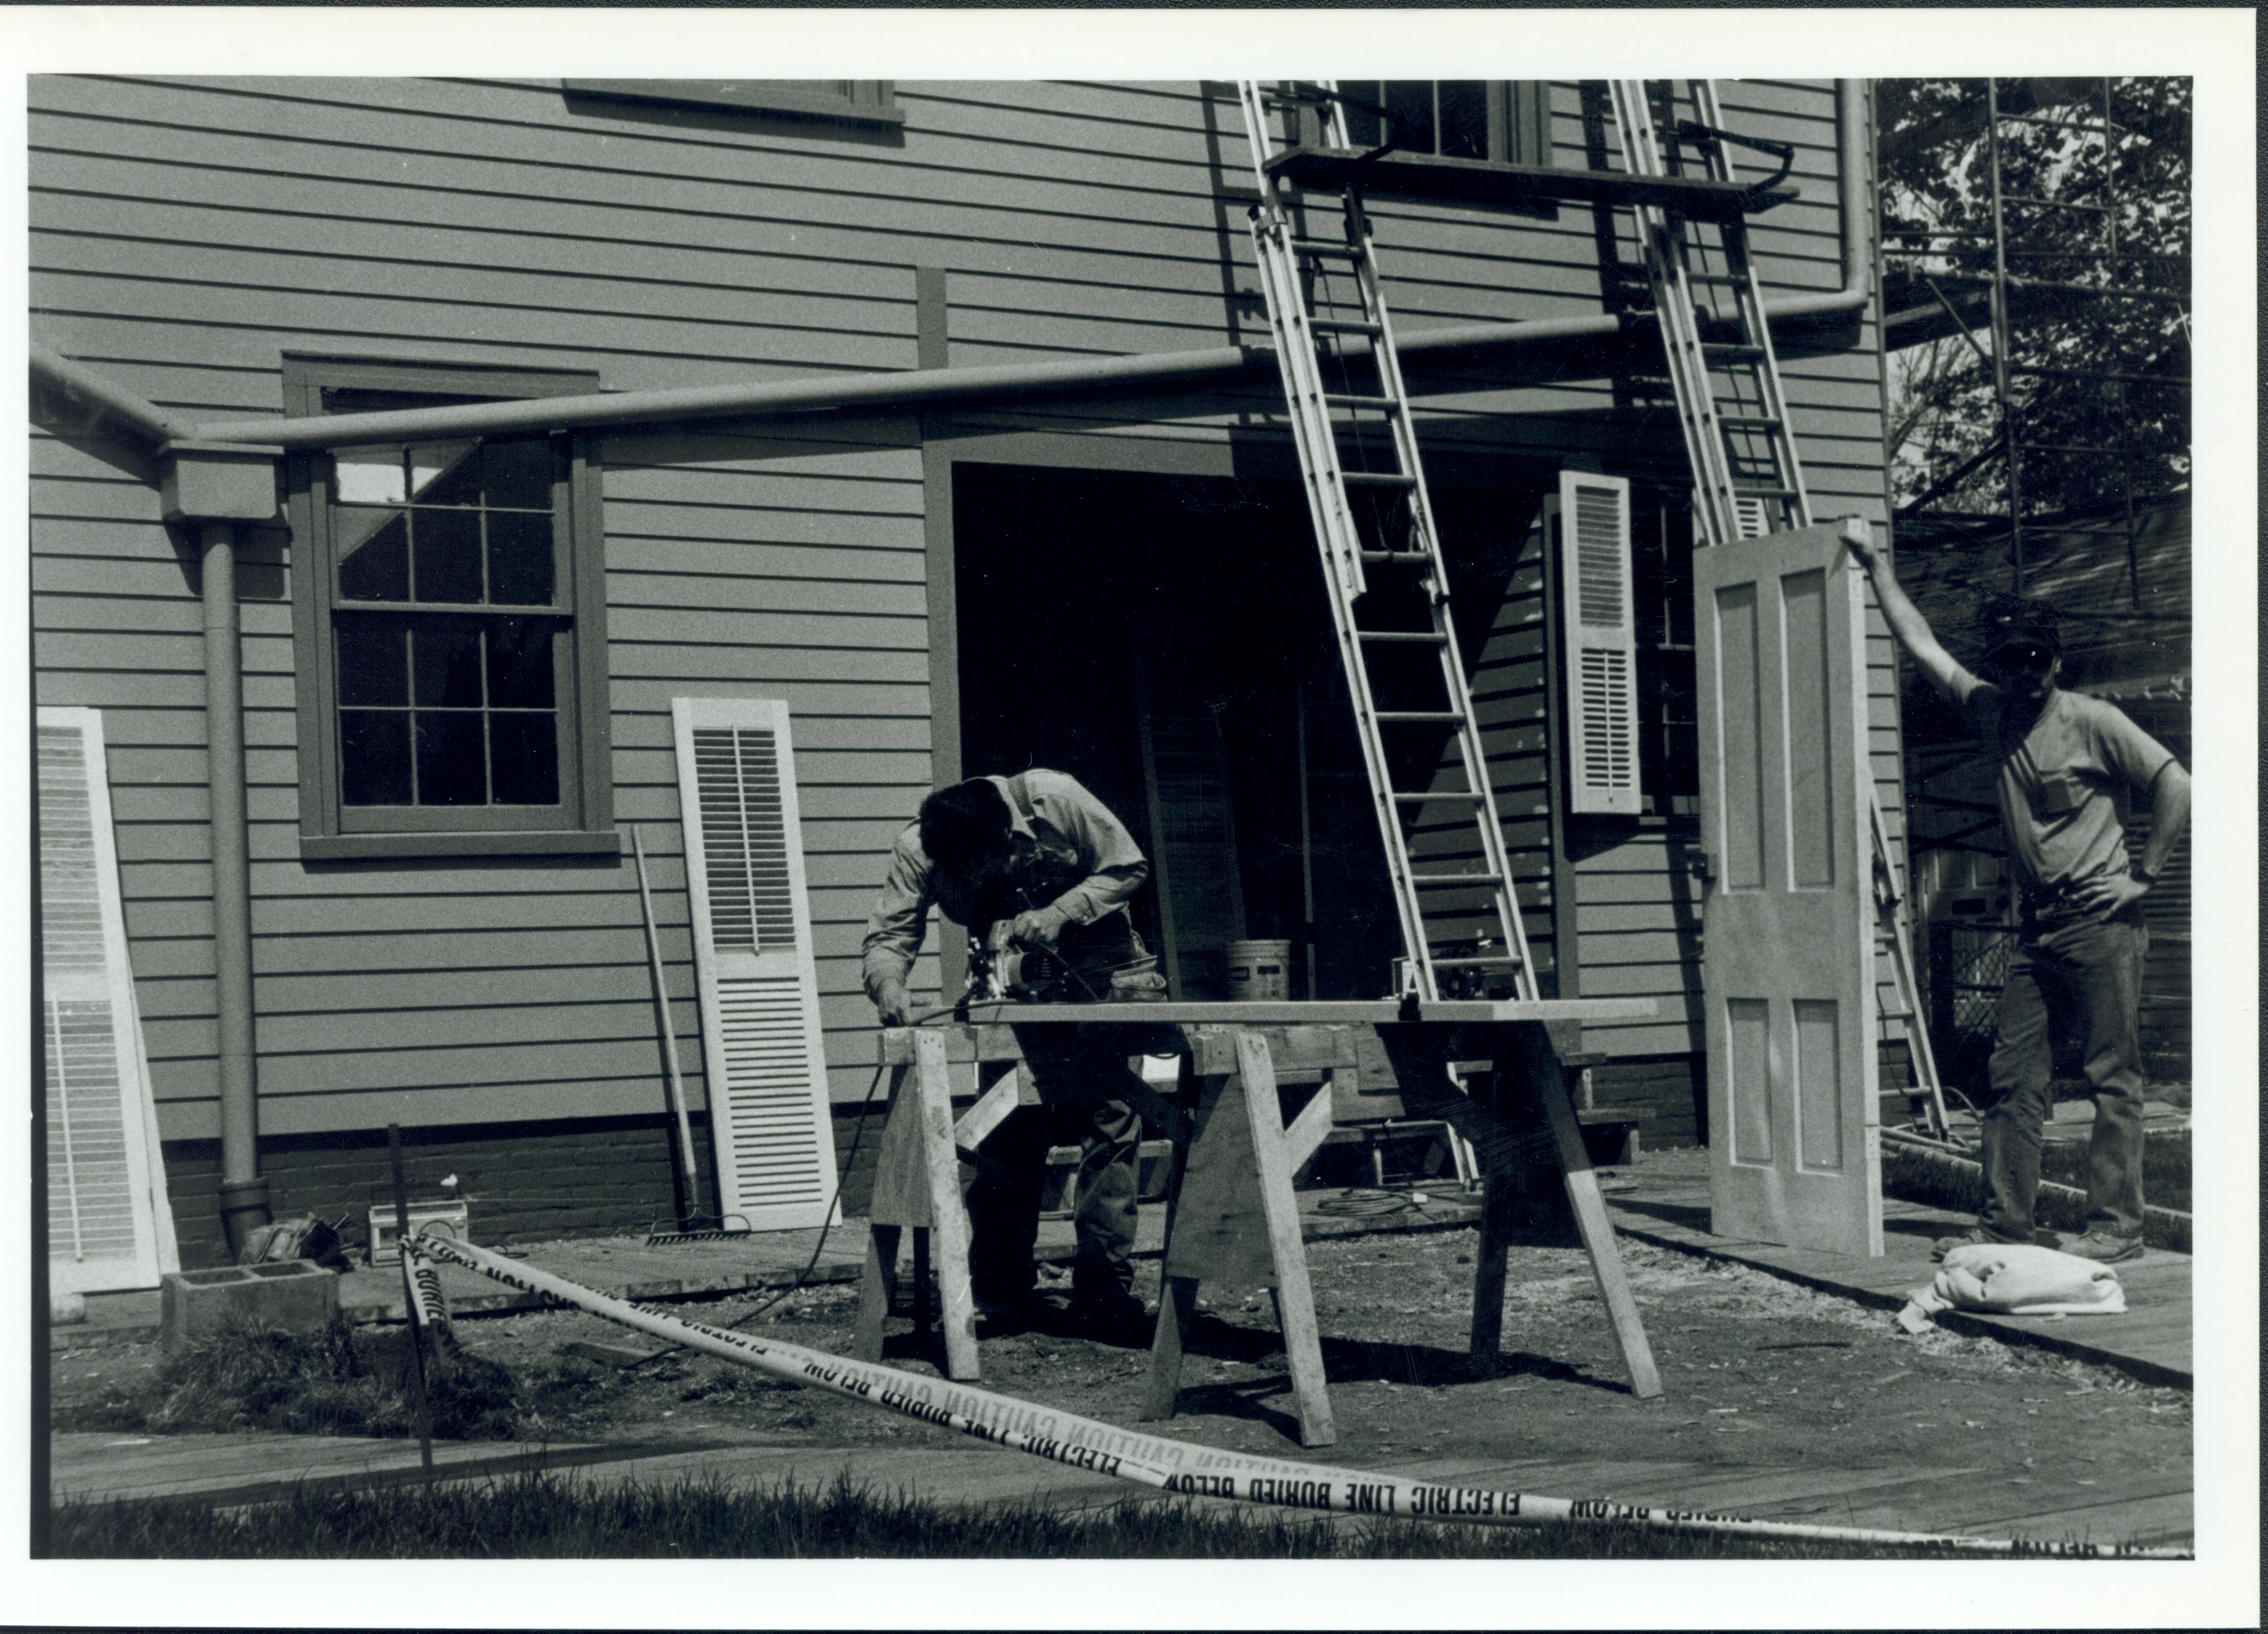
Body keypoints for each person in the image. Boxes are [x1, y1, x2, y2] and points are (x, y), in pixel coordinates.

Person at [1842, 522, 2190, 1264]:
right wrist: (1876, 567)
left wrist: (2147, 876)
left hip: (2102, 924)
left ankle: (2114, 1229)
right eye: (2011, 659)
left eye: (2036, 657)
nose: (2025, 670)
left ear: (2056, 659)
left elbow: (2176, 785)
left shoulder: (2094, 721)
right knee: (2012, 1077)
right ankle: (2005, 1222)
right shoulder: (1991, 713)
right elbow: (1923, 644)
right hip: (2035, 933)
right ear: (1998, 664)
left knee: (2111, 1081)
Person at [862, 769, 1161, 1339]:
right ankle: (1000, 1291)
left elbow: (1129, 865)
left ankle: (1103, 1292)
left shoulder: (1055, 797)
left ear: (1002, 838)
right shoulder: (915, 847)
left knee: (1110, 1116)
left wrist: (1057, 914)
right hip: (1010, 978)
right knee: (1008, 1127)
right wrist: (890, 988)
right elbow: (889, 937)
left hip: (1097, 961)